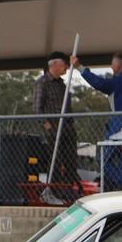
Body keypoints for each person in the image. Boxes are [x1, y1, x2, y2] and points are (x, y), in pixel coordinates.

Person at [72, 52, 122, 190]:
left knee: (103, 159)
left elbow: (99, 83)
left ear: (118, 66)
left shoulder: (119, 81)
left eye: (112, 64)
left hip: (118, 126)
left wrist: (80, 68)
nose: (111, 66)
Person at [33, 51, 80, 189]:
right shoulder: (42, 83)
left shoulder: (62, 84)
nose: (66, 67)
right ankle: (54, 189)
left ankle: (70, 188)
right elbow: (37, 108)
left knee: (71, 160)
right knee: (56, 159)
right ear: (55, 65)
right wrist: (47, 125)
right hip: (53, 129)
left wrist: (71, 125)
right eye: (64, 64)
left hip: (67, 129)